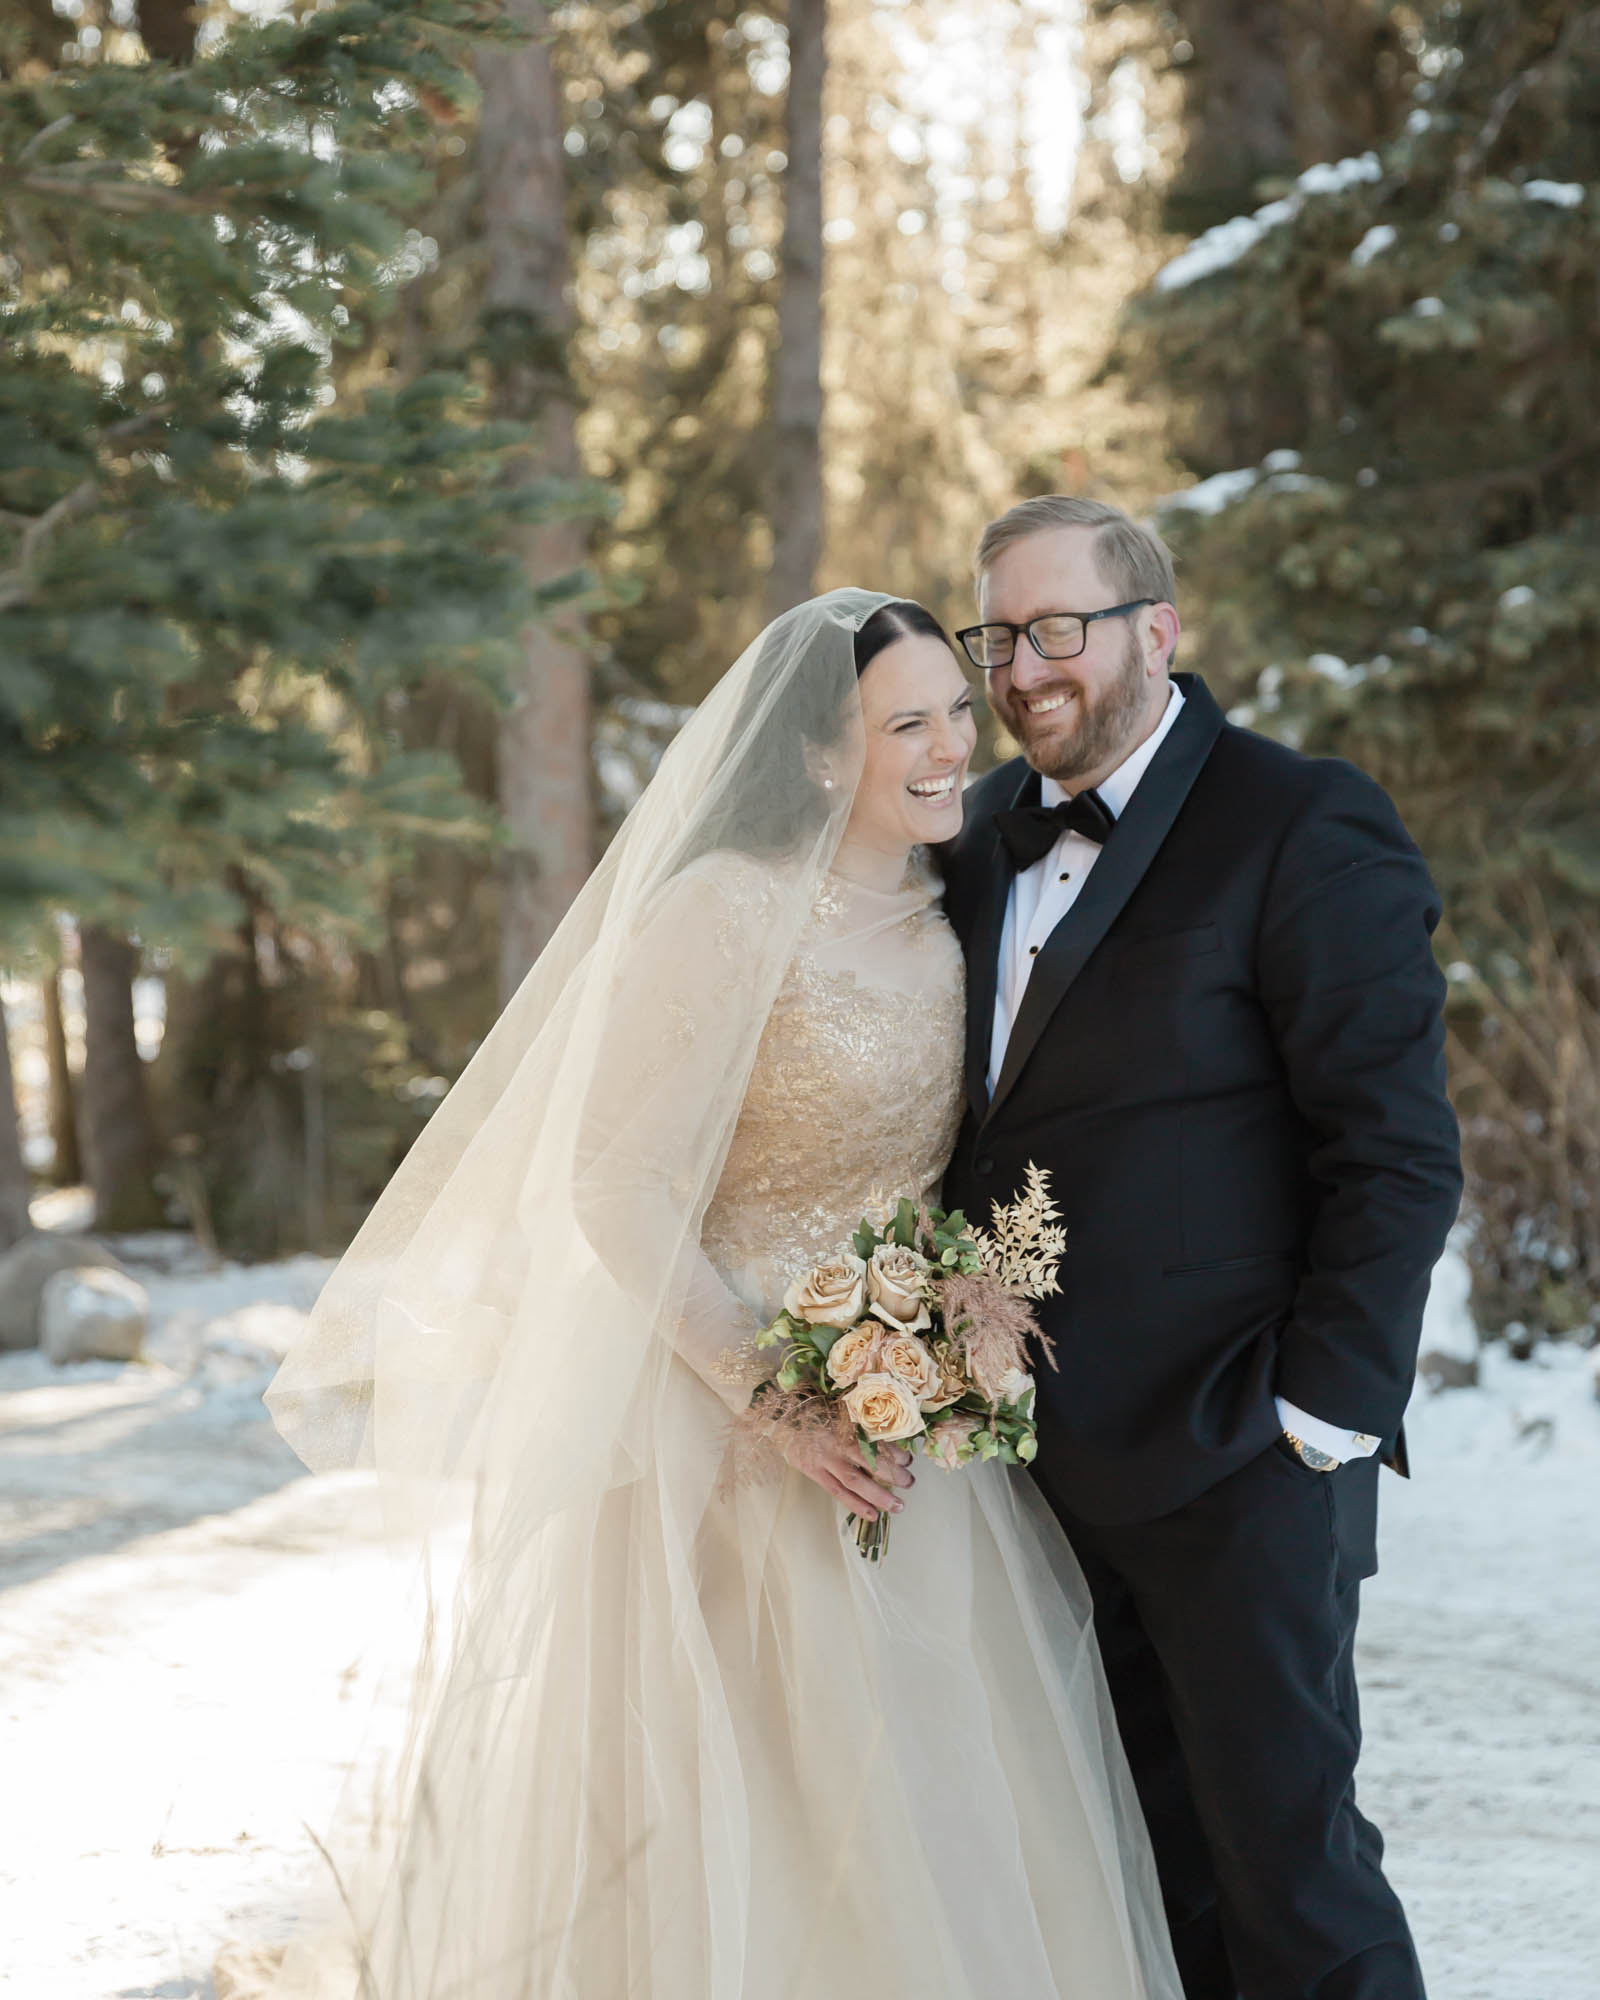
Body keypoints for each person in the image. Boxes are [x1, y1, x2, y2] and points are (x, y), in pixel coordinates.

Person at [261, 589, 1182, 2000]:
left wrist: (959, 1328)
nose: (950, 745)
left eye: (954, 710)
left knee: (928, 1818)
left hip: (913, 1433)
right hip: (728, 1429)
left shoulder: (966, 902)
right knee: (739, 1813)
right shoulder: (725, 913)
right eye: (905, 725)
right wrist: (776, 1398)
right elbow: (616, 1184)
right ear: (820, 756)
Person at [938, 497, 1464, 2000]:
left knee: (1294, 1881)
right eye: (998, 637)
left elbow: (1397, 1151)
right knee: (1147, 1890)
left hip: (1243, 1456)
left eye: (1060, 629)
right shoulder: (975, 838)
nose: (1024, 669)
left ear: (1157, 631)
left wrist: (1318, 1420)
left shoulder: (1300, 820)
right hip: (1033, 1480)